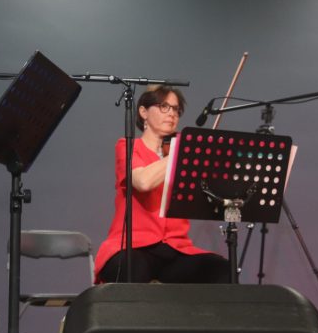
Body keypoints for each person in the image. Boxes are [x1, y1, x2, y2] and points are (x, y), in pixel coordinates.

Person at [95, 85, 230, 284]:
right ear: (143, 112)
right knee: (134, 269)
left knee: (220, 269)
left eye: (176, 109)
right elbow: (143, 181)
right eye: (163, 106)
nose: (172, 114)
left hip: (175, 248)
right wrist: (181, 153)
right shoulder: (128, 146)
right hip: (133, 247)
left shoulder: (182, 154)